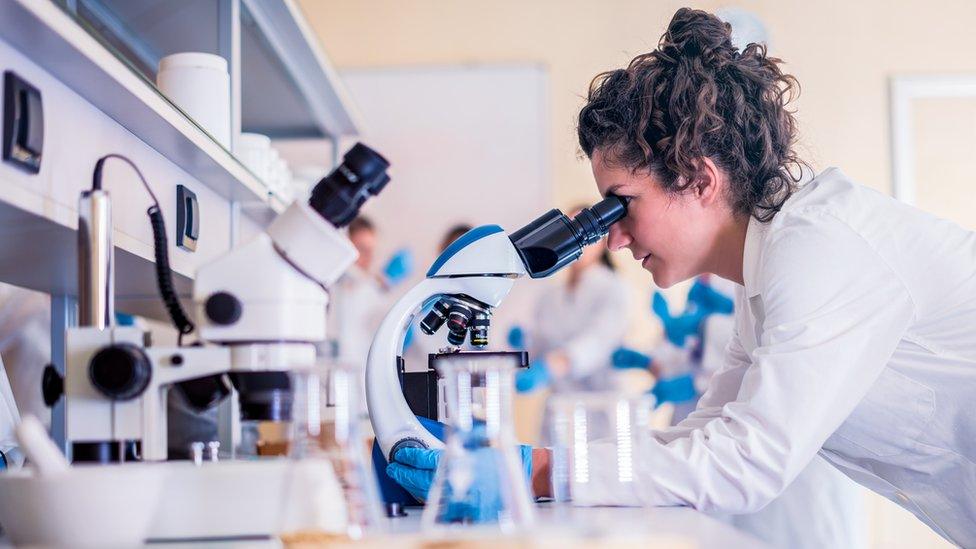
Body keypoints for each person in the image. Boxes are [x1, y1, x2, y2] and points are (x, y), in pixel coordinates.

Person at [387, 8, 976, 545]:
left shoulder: (822, 246)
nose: (613, 237)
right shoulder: (766, 270)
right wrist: (537, 462)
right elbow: (706, 432)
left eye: (620, 205)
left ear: (698, 177)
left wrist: (536, 471)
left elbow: (746, 463)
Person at [511, 208, 630, 394]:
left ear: (600, 241)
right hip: (559, 403)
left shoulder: (612, 288)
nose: (575, 240)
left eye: (583, 233)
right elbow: (542, 345)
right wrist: (525, 342)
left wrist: (550, 367)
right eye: (568, 232)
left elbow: (597, 342)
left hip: (600, 404)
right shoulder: (550, 295)